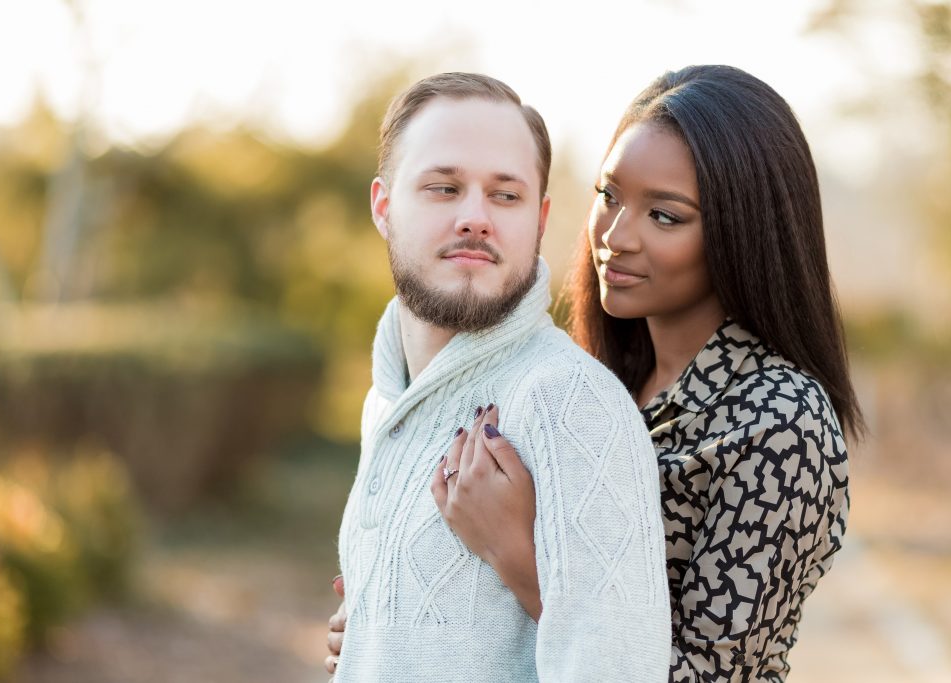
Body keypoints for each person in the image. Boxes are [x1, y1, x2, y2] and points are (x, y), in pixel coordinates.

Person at [328, 65, 861, 682]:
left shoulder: (778, 420)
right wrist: (386, 628)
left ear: (741, 235)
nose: (614, 235)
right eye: (609, 197)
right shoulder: (600, 376)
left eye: (664, 216)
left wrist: (515, 553)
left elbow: (710, 676)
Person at [327, 72, 672, 682]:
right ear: (383, 206)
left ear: (539, 219)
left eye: (504, 196)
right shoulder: (385, 403)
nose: (475, 218)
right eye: (443, 187)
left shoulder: (571, 403)